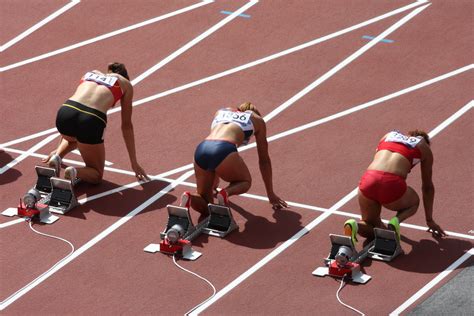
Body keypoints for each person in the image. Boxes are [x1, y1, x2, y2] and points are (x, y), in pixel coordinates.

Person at [43, 62, 149, 184]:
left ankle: (57, 156)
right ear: (125, 76)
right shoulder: (125, 84)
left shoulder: (91, 73)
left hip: (66, 112)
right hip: (91, 119)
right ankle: (73, 171)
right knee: (96, 173)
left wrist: (57, 150)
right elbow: (126, 126)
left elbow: (78, 110)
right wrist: (134, 162)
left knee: (75, 134)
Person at [180, 102, 287, 215]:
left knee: (205, 204)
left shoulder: (221, 111)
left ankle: (189, 197)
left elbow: (213, 149)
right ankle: (225, 193)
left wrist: (214, 182)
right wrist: (270, 194)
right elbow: (264, 160)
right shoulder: (257, 120)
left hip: (202, 148)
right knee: (245, 181)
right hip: (224, 149)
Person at [344, 129, 446, 243]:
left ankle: (354, 225)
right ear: (425, 141)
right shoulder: (423, 146)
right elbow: (427, 188)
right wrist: (429, 220)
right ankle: (396, 221)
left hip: (368, 180)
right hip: (391, 183)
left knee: (373, 226)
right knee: (414, 202)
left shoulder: (388, 135)